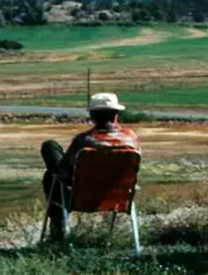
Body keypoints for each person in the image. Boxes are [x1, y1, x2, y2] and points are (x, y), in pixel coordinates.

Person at [40, 92, 141, 242]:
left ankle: (57, 232)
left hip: (80, 196)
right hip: (118, 196)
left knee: (51, 161)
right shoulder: (131, 138)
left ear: (92, 116)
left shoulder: (83, 141)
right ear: (116, 115)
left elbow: (64, 172)